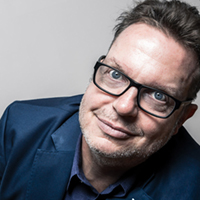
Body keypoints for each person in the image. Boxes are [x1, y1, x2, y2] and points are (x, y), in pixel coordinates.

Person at [0, 0, 200, 199]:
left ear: (181, 118)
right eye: (116, 74)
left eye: (158, 95)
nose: (123, 107)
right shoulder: (18, 128)